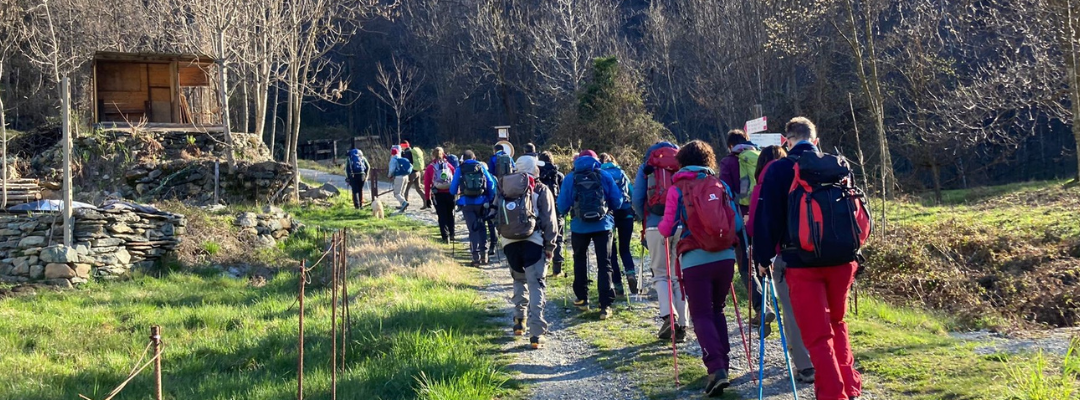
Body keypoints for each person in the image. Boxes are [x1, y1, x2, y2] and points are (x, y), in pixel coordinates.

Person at [754, 117, 863, 400]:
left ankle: (832, 395)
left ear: (786, 142)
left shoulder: (778, 169)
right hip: (842, 260)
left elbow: (768, 218)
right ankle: (850, 386)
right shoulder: (837, 165)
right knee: (837, 323)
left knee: (816, 335)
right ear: (815, 141)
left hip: (801, 262)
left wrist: (762, 257)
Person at [658, 140, 747, 397]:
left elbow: (665, 227)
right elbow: (738, 224)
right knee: (717, 310)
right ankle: (724, 365)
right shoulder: (721, 185)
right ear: (709, 160)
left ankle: (716, 368)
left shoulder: (677, 189)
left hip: (695, 260)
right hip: (725, 258)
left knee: (701, 315)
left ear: (681, 162)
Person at [745, 144, 815, 384]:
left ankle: (805, 365)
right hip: (821, 252)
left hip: (784, 256)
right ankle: (824, 358)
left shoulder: (766, 181)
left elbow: (757, 225)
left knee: (792, 310)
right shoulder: (815, 170)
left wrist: (762, 260)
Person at [497, 155, 558, 350]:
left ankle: (519, 321)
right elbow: (550, 220)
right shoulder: (540, 189)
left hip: (509, 242)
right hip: (534, 241)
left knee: (518, 280)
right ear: (535, 169)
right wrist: (550, 246)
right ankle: (536, 334)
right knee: (536, 285)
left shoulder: (505, 186)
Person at [632, 141, 689, 342]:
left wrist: (645, 219)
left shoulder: (647, 167)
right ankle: (683, 323)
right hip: (680, 225)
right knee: (677, 276)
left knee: (660, 275)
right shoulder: (682, 164)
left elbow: (637, 198)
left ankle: (669, 316)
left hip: (655, 226)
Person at [556, 150, 623, 319]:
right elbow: (618, 200)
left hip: (579, 226)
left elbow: (562, 205)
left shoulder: (571, 177)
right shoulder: (604, 175)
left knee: (579, 260)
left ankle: (582, 299)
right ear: (596, 160)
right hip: (603, 225)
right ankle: (605, 305)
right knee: (604, 263)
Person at [719, 129, 772, 332]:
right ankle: (769, 303)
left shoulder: (729, 161)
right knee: (762, 262)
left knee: (745, 266)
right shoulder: (760, 157)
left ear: (731, 145)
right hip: (762, 214)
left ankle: (761, 307)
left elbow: (724, 190)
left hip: (740, 217)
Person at [451, 150, 497, 267]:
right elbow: (491, 183)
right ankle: (484, 255)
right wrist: (489, 198)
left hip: (467, 203)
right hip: (482, 202)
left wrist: (457, 196)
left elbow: (452, 189)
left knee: (473, 230)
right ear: (474, 157)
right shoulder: (480, 166)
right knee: (482, 228)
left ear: (463, 158)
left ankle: (475, 258)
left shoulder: (460, 168)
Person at [599, 153, 636, 297]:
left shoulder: (599, 174)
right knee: (625, 248)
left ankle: (618, 286)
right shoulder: (621, 172)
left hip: (609, 215)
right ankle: (631, 273)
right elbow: (632, 192)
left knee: (611, 252)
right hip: (626, 213)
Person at [537, 151, 566, 277]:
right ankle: (557, 269)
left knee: (540, 237)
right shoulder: (558, 175)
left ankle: (542, 267)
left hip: (541, 209)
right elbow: (564, 193)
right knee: (558, 237)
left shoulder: (537, 173)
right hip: (557, 209)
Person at [425, 147, 457, 243]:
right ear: (443, 154)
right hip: (450, 194)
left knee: (441, 215)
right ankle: (452, 234)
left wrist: (427, 198)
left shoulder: (430, 167)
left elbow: (427, 184)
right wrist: (456, 192)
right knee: (450, 214)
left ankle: (445, 236)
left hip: (438, 194)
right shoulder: (449, 166)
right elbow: (455, 179)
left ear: (433, 155)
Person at [401, 140, 430, 210]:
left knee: (405, 189)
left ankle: (404, 205)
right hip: (417, 172)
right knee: (419, 189)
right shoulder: (412, 151)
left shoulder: (407, 153)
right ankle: (426, 203)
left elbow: (406, 164)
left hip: (412, 173)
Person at [388, 146, 413, 212]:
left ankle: (404, 203)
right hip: (406, 176)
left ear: (391, 154)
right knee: (402, 193)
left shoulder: (393, 160)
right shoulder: (401, 158)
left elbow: (392, 170)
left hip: (399, 177)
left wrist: (389, 175)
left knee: (396, 193)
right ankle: (403, 206)